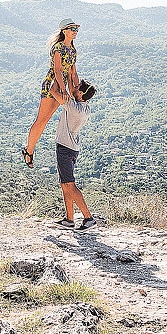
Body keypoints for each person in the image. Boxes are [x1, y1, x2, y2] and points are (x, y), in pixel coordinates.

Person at [21, 18, 80, 168]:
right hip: (52, 86)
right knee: (42, 120)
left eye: (76, 29)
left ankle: (30, 151)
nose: (75, 32)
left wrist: (77, 90)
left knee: (48, 120)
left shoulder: (73, 50)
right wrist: (64, 89)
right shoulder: (57, 47)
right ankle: (29, 151)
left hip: (62, 87)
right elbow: (58, 70)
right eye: (72, 29)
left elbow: (73, 73)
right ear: (64, 31)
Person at [49, 79, 97, 230]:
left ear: (81, 93)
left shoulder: (73, 107)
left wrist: (57, 76)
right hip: (73, 148)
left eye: (76, 87)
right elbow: (73, 91)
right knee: (65, 184)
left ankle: (88, 218)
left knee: (69, 184)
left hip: (64, 148)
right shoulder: (85, 107)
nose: (73, 87)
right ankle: (69, 219)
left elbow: (52, 92)